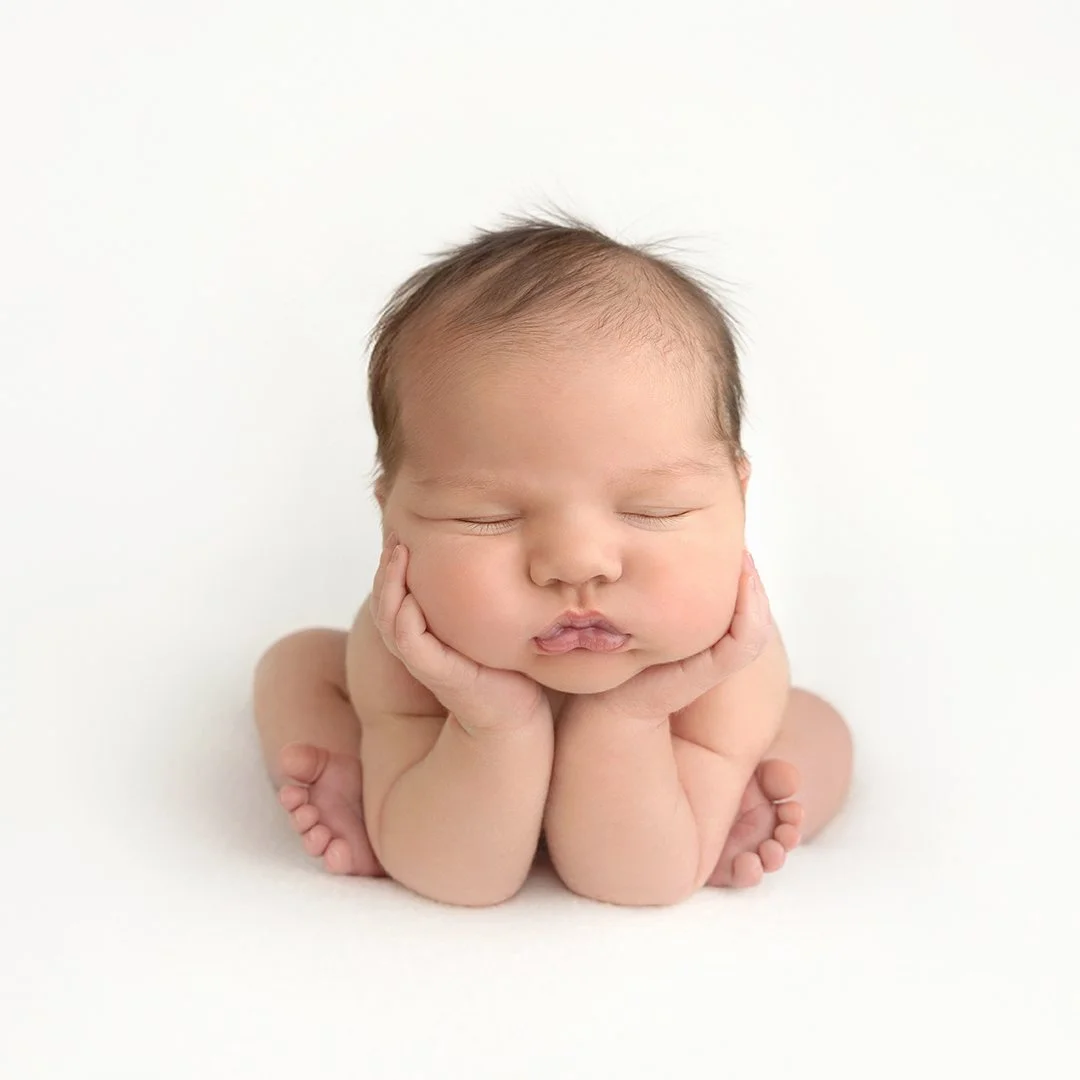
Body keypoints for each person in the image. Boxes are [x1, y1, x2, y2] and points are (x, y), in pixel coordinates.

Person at [252, 212, 853, 907]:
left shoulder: (726, 669)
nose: (576, 565)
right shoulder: (407, 653)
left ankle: (727, 808)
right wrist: (490, 719)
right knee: (298, 665)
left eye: (652, 511)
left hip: (667, 774)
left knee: (812, 731)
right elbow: (458, 877)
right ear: (390, 517)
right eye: (488, 518)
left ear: (738, 497)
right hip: (448, 749)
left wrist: (633, 715)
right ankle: (371, 786)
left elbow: (633, 883)